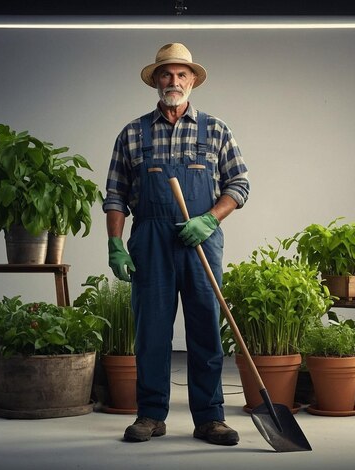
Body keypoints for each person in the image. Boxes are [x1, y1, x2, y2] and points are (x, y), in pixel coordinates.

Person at [102, 43, 250, 446]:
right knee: (151, 331)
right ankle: (150, 414)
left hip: (200, 239)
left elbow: (239, 185)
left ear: (193, 81)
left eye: (182, 74)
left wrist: (209, 219)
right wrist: (115, 243)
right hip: (150, 240)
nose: (174, 81)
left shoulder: (216, 130)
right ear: (156, 81)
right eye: (166, 74)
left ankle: (210, 418)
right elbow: (116, 194)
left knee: (205, 328)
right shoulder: (133, 133)